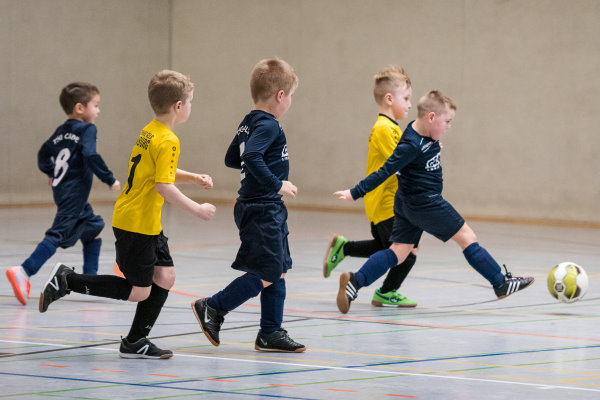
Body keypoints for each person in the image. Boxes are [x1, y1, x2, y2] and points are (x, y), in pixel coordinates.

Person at [38, 70, 216, 360]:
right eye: (191, 102)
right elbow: (163, 186)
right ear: (178, 106)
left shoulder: (151, 131)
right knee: (139, 291)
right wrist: (196, 208)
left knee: (166, 277)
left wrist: (194, 177)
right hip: (136, 224)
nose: (191, 107)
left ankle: (135, 341)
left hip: (144, 221)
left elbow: (158, 174)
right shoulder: (168, 139)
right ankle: (68, 280)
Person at [333, 90, 534, 314]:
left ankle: (355, 281)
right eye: (447, 121)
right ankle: (500, 282)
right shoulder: (411, 144)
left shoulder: (418, 132)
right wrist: (355, 192)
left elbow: (423, 148)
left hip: (406, 203)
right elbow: (386, 170)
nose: (449, 126)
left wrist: (434, 147)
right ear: (430, 117)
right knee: (467, 237)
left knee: (399, 251)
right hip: (426, 203)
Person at [191, 58, 305, 353]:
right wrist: (277, 183)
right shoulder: (268, 125)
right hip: (262, 207)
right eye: (290, 95)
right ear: (280, 96)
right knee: (267, 271)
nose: (290, 101)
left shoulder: (249, 121)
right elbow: (251, 157)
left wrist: (261, 172)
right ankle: (213, 306)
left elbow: (234, 158)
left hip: (263, 206)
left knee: (277, 268)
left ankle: (270, 333)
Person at [6, 82, 121, 306]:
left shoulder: (60, 131)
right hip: (74, 193)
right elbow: (90, 154)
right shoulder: (88, 129)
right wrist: (109, 179)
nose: (98, 110)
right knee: (57, 234)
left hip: (62, 190)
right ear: (80, 108)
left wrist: (52, 172)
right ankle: (24, 271)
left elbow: (42, 154)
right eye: (95, 105)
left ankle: (91, 282)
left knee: (93, 227)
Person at [323, 65, 418, 308]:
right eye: (406, 98)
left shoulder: (391, 128)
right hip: (388, 204)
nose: (409, 104)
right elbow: (397, 166)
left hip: (384, 204)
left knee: (384, 247)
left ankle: (344, 248)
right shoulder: (385, 129)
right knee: (405, 252)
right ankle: (383, 290)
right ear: (389, 99)